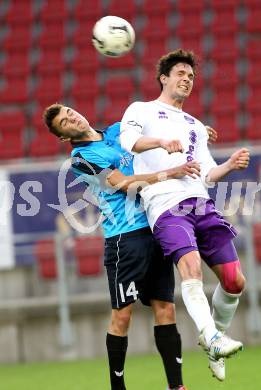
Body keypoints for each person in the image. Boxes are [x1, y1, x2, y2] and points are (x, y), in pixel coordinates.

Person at [43, 103, 215, 389]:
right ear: (64, 137)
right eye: (65, 122)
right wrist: (174, 172)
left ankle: (176, 386)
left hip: (154, 226)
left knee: (165, 308)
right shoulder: (81, 159)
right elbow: (123, 183)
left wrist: (193, 133)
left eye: (70, 112)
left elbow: (153, 136)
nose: (72, 117)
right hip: (125, 240)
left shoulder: (115, 132)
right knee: (123, 315)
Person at [120, 49, 250, 382]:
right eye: (180, 73)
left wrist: (228, 165)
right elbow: (129, 141)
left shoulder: (194, 125)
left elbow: (206, 173)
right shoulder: (142, 109)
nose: (186, 80)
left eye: (191, 76)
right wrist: (161, 142)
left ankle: (213, 338)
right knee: (190, 267)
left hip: (200, 203)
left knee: (235, 281)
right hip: (164, 203)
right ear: (163, 77)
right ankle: (212, 335)